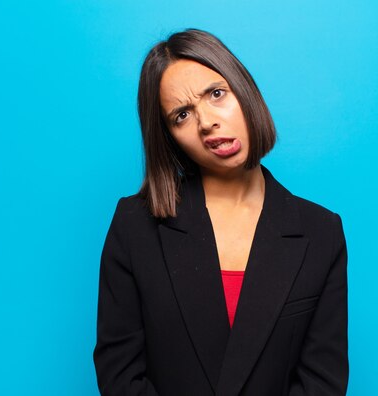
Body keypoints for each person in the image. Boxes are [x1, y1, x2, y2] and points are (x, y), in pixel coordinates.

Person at [93, 28, 348, 396]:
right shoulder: (135, 226)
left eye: (216, 94)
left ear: (244, 90)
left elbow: (322, 381)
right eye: (182, 115)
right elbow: (120, 375)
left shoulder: (321, 232)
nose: (207, 122)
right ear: (168, 137)